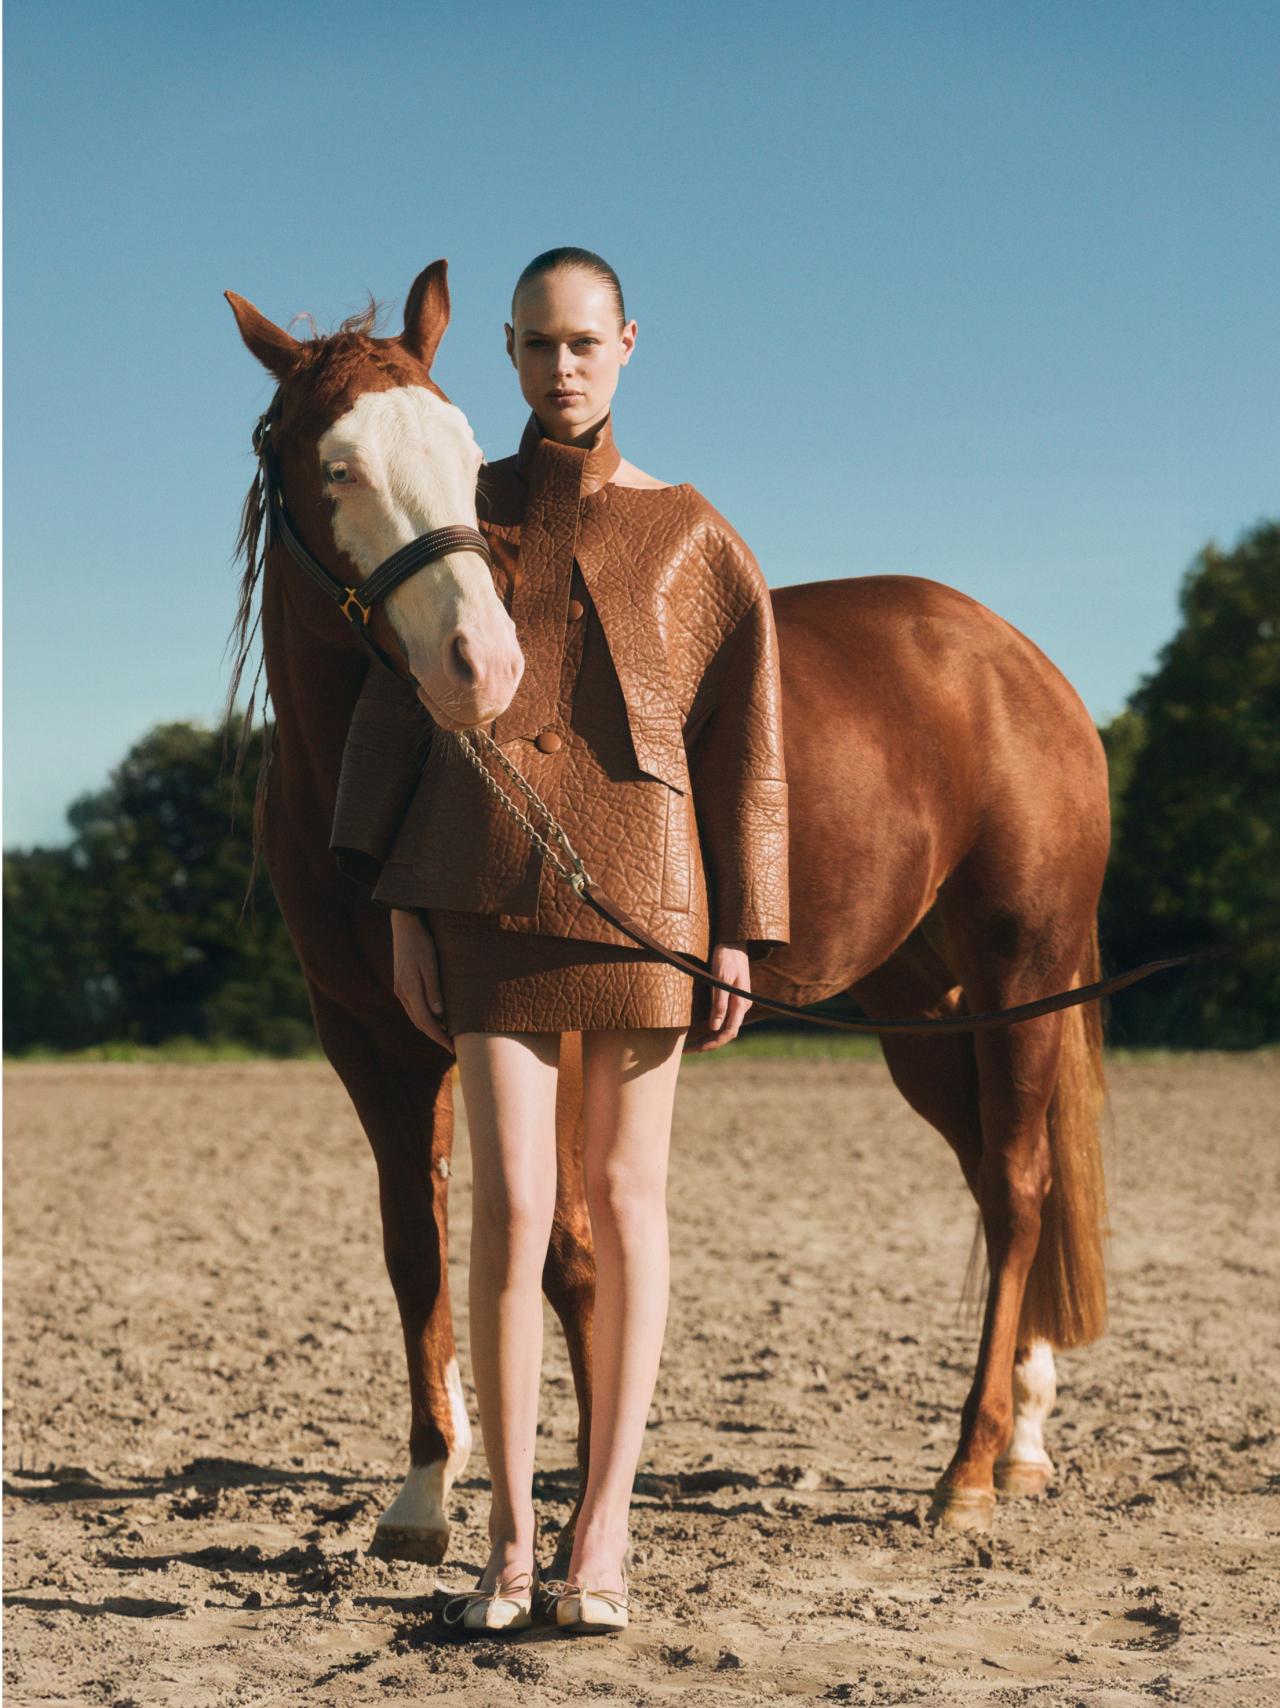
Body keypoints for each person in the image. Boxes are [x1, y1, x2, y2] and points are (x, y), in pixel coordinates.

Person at [330, 247, 789, 1634]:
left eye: (584, 341)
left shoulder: (697, 532)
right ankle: (511, 1541)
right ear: (510, 353)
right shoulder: (457, 508)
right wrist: (401, 902)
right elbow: (396, 703)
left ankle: (605, 1536)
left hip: (648, 890)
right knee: (515, 1210)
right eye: (537, 344)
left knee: (629, 1203)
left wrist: (744, 930)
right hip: (476, 887)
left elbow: (747, 743)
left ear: (628, 343)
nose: (561, 366)